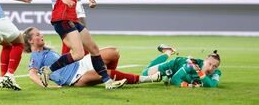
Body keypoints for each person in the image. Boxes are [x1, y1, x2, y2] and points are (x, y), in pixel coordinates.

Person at [40, 0, 126, 89]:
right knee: (78, 53)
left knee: (94, 49)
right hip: (62, 19)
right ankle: (48, 70)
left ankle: (107, 82)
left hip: (72, 19)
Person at [24, 27, 161, 87]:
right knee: (105, 73)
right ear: (30, 41)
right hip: (75, 78)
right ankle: (147, 79)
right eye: (37, 35)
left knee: (114, 52)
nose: (41, 35)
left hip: (80, 63)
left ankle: (113, 78)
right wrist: (45, 87)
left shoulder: (47, 51)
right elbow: (32, 74)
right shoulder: (36, 56)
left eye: (40, 33)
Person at [141, 44, 221, 88]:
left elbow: (211, 85)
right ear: (205, 61)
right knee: (144, 74)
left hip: (180, 74)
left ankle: (167, 77)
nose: (211, 68)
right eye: (209, 64)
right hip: (175, 65)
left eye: (215, 66)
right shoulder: (190, 65)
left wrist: (199, 73)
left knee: (167, 78)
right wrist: (189, 85)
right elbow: (175, 80)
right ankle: (168, 51)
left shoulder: (216, 73)